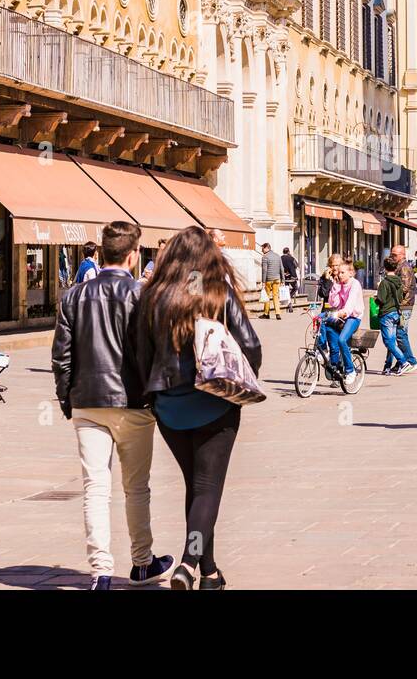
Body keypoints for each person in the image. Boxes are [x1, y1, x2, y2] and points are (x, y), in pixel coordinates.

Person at [135, 226, 261, 591]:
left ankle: (210, 573)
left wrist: (153, 396)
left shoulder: (153, 296)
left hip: (170, 409)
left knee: (198, 487)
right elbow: (250, 346)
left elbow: (139, 354)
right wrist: (242, 380)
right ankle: (189, 562)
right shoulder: (217, 293)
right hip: (213, 403)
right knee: (207, 489)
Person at [52, 221, 173, 590]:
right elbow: (158, 355)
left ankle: (100, 572)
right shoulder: (144, 295)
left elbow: (62, 356)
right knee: (137, 488)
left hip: (88, 401)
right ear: (134, 255)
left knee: (95, 489)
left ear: (101, 254)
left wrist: (67, 399)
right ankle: (141, 563)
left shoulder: (73, 296)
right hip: (134, 402)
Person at [325, 261, 365, 388]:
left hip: (353, 317)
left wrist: (343, 312)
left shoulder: (355, 284)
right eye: (339, 272)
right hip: (342, 314)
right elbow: (334, 303)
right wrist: (335, 286)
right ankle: (324, 351)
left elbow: (351, 303)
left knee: (342, 340)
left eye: (343, 272)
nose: (340, 275)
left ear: (351, 273)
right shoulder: (340, 284)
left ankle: (350, 370)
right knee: (323, 321)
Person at [387, 243, 417, 373]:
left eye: (394, 255)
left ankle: (411, 361)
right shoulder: (399, 267)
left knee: (400, 334)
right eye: (391, 254)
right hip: (401, 304)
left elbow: (404, 288)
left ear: (402, 255)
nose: (392, 257)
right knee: (396, 334)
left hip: (404, 305)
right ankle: (401, 361)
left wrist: (389, 290)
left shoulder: (404, 268)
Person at [376, 257, 408, 375]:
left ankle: (404, 361)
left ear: (385, 268)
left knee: (388, 342)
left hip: (386, 314)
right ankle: (387, 366)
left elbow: (381, 299)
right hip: (396, 312)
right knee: (392, 341)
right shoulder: (399, 281)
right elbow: (400, 298)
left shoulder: (384, 282)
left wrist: (376, 299)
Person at [259, 242, 283, 321]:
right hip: (277, 279)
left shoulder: (265, 257)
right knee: (276, 296)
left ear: (266, 248)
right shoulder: (277, 256)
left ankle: (266, 314)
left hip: (268, 280)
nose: (262, 250)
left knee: (267, 296)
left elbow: (264, 270)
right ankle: (278, 313)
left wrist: (263, 281)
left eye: (262, 248)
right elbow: (281, 268)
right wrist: (283, 279)